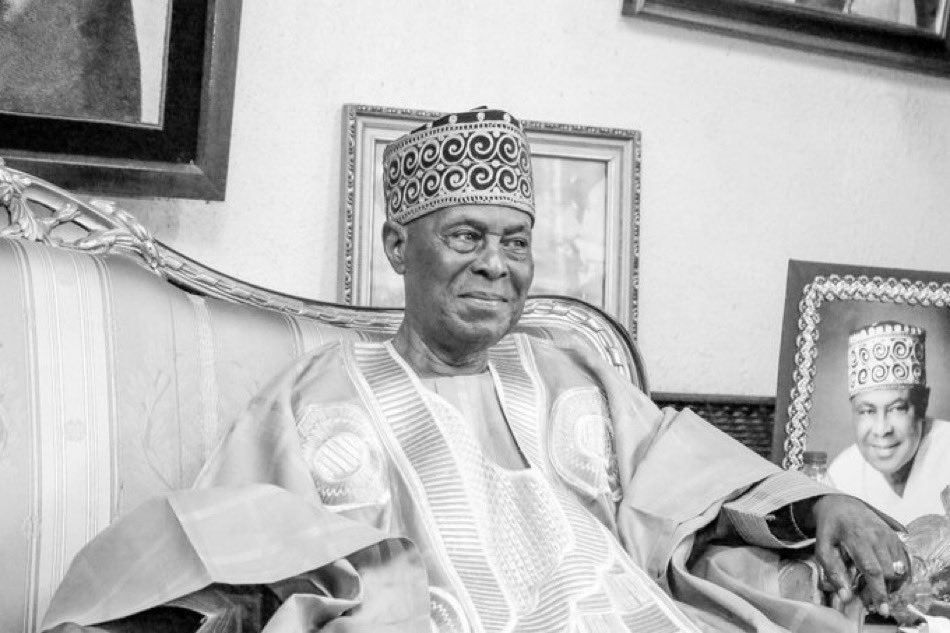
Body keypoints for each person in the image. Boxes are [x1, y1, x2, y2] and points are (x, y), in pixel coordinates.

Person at [42, 108, 910, 633]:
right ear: (399, 247)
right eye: (465, 236)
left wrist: (820, 502)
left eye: (515, 241)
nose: (496, 264)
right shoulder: (318, 395)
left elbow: (691, 478)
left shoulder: (574, 371)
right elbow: (228, 535)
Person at [828, 321, 950, 525]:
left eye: (897, 408)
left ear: (923, 403)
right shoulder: (842, 474)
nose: (882, 429)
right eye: (867, 411)